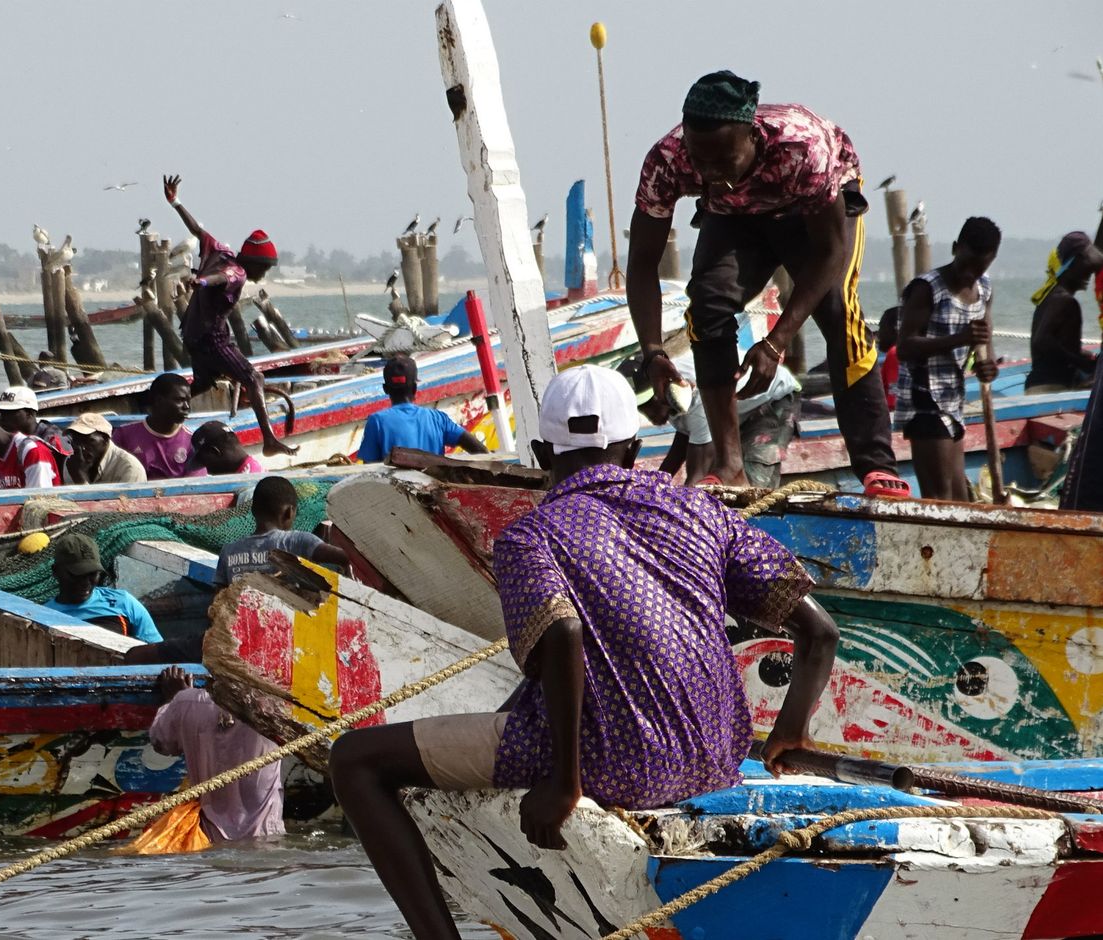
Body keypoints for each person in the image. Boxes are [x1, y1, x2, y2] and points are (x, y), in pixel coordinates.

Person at [328, 365, 839, 939]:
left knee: (354, 760)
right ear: (634, 448)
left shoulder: (530, 535)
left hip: (615, 764)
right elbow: (820, 632)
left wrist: (563, 783)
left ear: (543, 453)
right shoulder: (702, 511)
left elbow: (563, 635)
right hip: (715, 758)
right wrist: (789, 731)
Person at [625, 70, 906, 498]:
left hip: (811, 211)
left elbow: (829, 252)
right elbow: (643, 263)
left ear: (752, 138)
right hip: (735, 214)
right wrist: (653, 352)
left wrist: (776, 344)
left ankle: (876, 465)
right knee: (707, 308)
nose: (710, 173)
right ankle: (730, 465)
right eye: (701, 162)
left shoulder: (801, 149)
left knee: (838, 312)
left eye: (724, 161)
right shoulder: (667, 160)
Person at [161, 173, 298, 457]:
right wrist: (200, 281)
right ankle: (269, 440)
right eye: (265, 268)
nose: (264, 274)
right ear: (255, 262)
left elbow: (197, 230)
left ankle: (160, 414)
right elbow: (222, 278)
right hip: (213, 339)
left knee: (203, 382)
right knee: (253, 378)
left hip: (192, 335)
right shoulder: (238, 271)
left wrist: (175, 202)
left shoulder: (219, 250)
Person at [893, 218, 1001, 501]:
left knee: (960, 498)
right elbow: (905, 347)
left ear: (991, 261)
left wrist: (988, 366)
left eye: (978, 268)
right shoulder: (927, 288)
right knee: (939, 498)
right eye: (965, 264)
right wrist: (959, 339)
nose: (969, 274)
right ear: (955, 249)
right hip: (924, 400)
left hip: (953, 400)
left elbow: (984, 341)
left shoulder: (984, 289)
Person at [149, 665, 284, 843]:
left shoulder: (185, 702)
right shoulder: (273, 705)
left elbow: (161, 742)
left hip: (207, 840)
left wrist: (173, 700)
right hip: (267, 838)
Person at [627, 350, 800, 487]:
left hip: (771, 399)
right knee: (719, 472)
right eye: (640, 407)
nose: (648, 413)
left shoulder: (693, 395)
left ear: (663, 388)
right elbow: (686, 438)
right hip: (734, 408)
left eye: (649, 404)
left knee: (752, 481)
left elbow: (697, 475)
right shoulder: (668, 392)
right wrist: (654, 484)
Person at [215, 475, 349, 585]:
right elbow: (346, 557)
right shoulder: (298, 541)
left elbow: (219, 599)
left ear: (253, 510)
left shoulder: (228, 551)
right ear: (289, 512)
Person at [356, 355, 488, 463]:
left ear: (385, 389)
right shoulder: (438, 419)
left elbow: (369, 471)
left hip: (394, 488)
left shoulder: (377, 422)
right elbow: (479, 450)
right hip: (434, 487)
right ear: (414, 388)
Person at [43, 531, 162, 643]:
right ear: (56, 572)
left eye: (92, 574)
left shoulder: (123, 603)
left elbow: (155, 649)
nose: (85, 583)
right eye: (76, 575)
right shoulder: (43, 616)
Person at [1027, 231, 1103, 395]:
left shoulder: (1051, 296)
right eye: (1087, 265)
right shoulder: (1064, 300)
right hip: (1049, 386)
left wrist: (1084, 356)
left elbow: (1059, 345)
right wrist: (1081, 362)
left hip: (1042, 383)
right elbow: (1041, 340)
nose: (1090, 273)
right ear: (1074, 263)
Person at [114, 373, 199, 480]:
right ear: (159, 401)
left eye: (188, 400)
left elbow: (195, 484)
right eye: (179, 400)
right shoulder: (124, 435)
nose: (187, 407)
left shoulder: (192, 443)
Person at [61, 412, 146, 485]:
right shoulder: (72, 463)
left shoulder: (129, 468)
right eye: (76, 441)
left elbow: (127, 500)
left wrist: (80, 480)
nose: (81, 447)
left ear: (105, 439)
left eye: (89, 441)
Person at [189, 420, 264, 476]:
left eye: (205, 462)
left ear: (214, 452)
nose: (208, 471)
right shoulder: (257, 471)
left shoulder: (242, 485)